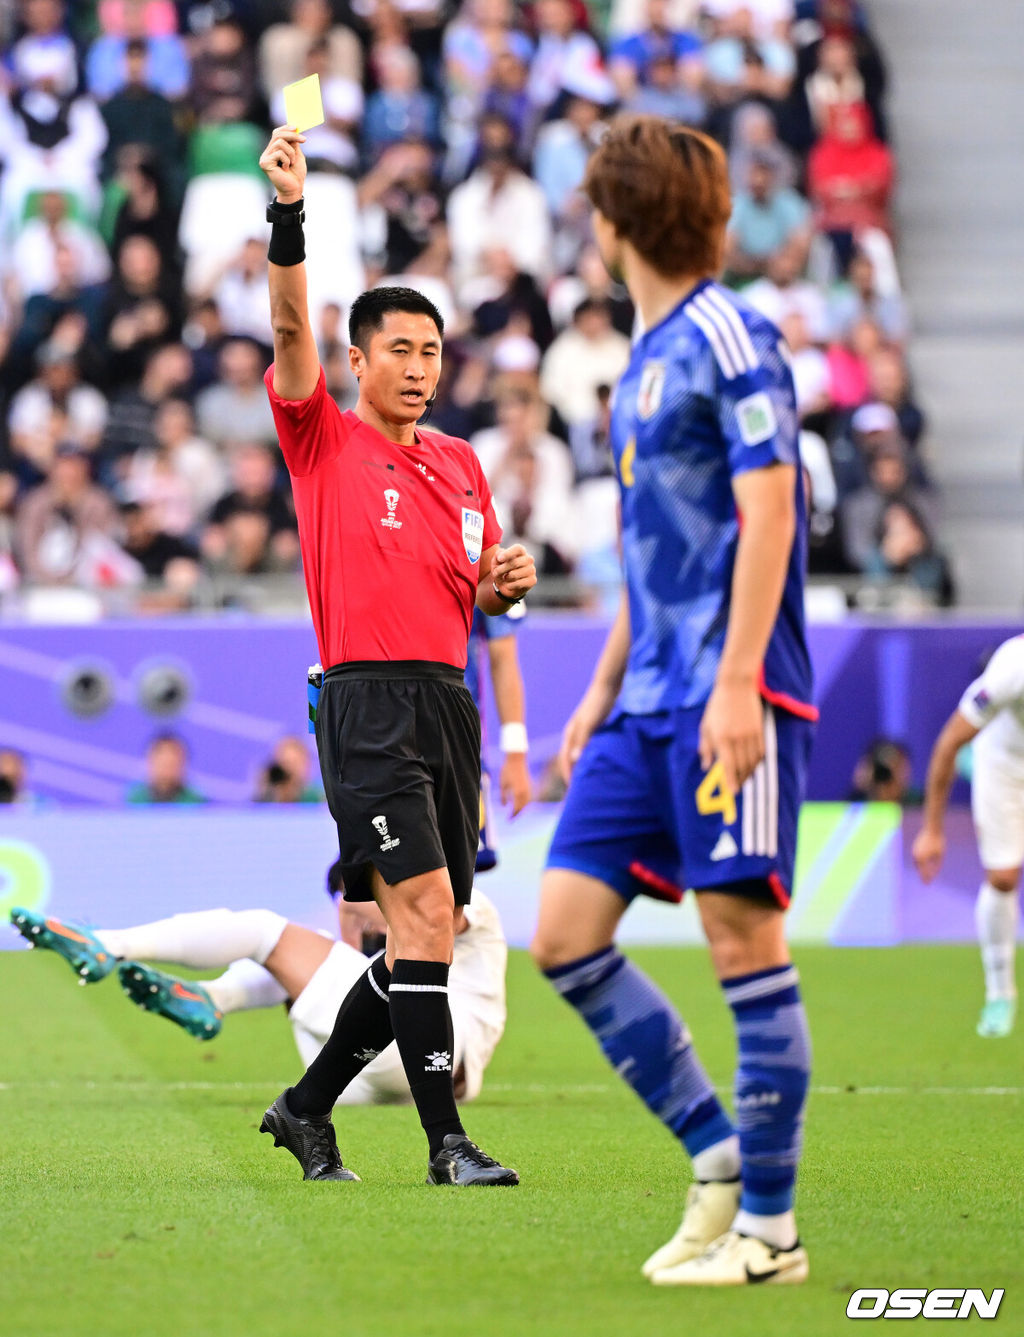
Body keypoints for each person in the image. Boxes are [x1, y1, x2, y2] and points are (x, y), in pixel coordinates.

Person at [529, 116, 816, 1287]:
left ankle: (773, 1232)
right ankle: (715, 1158)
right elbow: (659, 553)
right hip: (644, 697)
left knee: (739, 935)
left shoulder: (731, 335)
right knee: (563, 934)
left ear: (611, 223)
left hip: (722, 695)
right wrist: (598, 685)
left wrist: (739, 677)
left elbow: (771, 509)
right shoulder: (639, 363)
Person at [254, 124, 536, 1187]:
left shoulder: (463, 464)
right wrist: (291, 210)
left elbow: (472, 587)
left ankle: (304, 1107)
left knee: (435, 923)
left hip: (446, 703)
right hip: (366, 704)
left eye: (430, 352)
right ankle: (444, 1143)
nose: (418, 369)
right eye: (398, 352)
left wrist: (502, 582)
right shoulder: (320, 433)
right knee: (420, 915)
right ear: (357, 358)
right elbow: (286, 318)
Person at [9, 873, 508, 1108]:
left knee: (263, 932)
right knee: (303, 968)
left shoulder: (465, 901)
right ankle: (214, 998)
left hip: (434, 1051)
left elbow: (432, 914)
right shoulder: (396, 926)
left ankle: (109, 944)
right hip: (379, 1084)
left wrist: (353, 907)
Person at [912, 636, 1024, 1039]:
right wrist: (932, 830)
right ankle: (1000, 993)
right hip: (1005, 768)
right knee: (1003, 878)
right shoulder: (1012, 666)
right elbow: (948, 744)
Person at [126, 732, 205, 804]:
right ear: (149, 761)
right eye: (162, 761)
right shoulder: (133, 800)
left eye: (172, 762)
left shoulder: (196, 801)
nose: (167, 765)